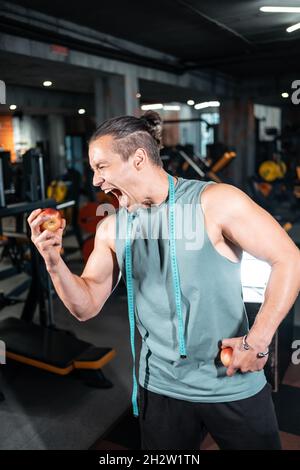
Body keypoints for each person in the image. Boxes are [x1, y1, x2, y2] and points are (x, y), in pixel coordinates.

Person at [27, 111, 300, 450]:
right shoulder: (112, 226)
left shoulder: (215, 202)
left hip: (230, 383)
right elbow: (84, 307)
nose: (96, 181)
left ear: (138, 159)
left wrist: (257, 341)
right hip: (161, 388)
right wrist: (53, 261)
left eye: (102, 167)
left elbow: (289, 258)